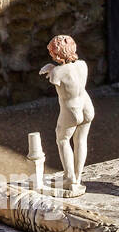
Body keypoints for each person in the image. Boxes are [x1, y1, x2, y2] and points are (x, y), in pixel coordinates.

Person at [40, 35, 94, 195]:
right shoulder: (82, 65)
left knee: (62, 139)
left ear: (57, 54)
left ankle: (70, 179)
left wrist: (51, 67)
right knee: (80, 140)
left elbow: (56, 77)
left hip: (72, 109)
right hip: (86, 106)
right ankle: (77, 177)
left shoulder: (57, 72)